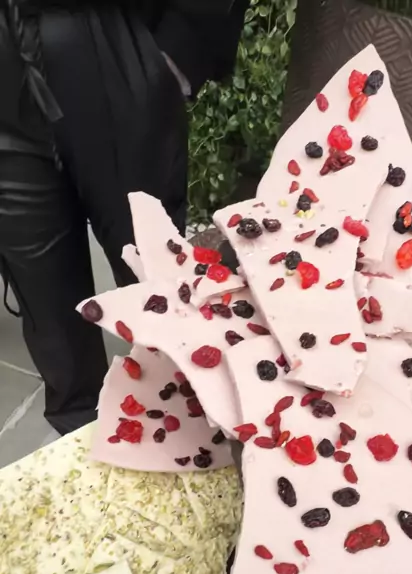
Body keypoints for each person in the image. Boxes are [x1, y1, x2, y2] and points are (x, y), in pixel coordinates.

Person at [0, 0, 248, 435]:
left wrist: (180, 50)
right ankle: (83, 440)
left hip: (106, 40)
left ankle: (193, 437)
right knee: (45, 301)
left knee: (156, 278)